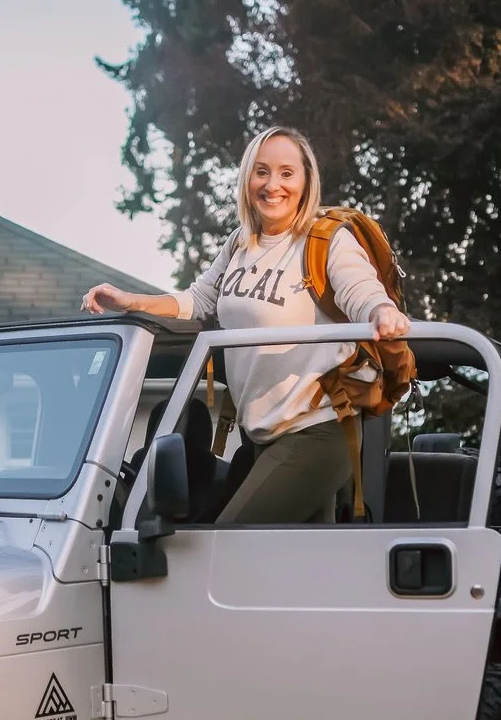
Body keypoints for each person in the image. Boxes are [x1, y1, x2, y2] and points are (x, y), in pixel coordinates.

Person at [81, 126, 411, 523]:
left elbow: (359, 289)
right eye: (261, 171)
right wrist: (129, 299)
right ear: (246, 180)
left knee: (222, 545)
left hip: (316, 430)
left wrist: (380, 311)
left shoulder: (326, 241)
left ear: (307, 181)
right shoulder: (241, 242)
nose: (273, 185)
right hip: (259, 434)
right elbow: (200, 300)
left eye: (287, 173)